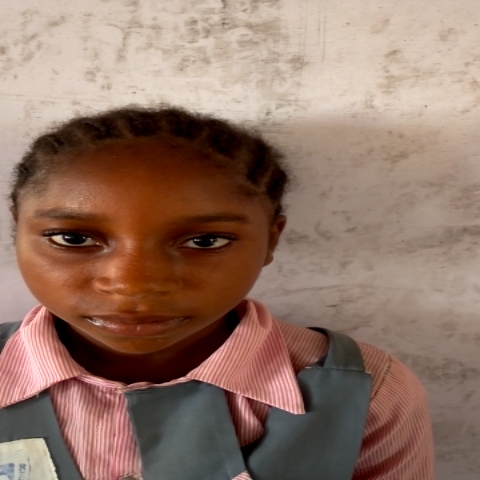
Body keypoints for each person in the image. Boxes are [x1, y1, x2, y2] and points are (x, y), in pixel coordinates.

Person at [0, 106, 434, 480]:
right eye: (73, 239)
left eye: (205, 241)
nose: (134, 284)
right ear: (17, 230)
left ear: (271, 240)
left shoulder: (367, 391)